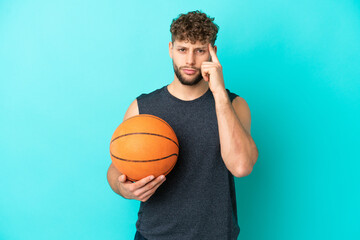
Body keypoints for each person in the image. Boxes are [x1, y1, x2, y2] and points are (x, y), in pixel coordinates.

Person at [107, 10, 259, 240]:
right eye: (182, 49)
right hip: (153, 236)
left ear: (212, 53)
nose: (189, 60)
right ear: (171, 50)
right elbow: (116, 168)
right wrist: (123, 189)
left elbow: (241, 167)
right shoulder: (142, 107)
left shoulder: (234, 105)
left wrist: (218, 94)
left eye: (199, 50)